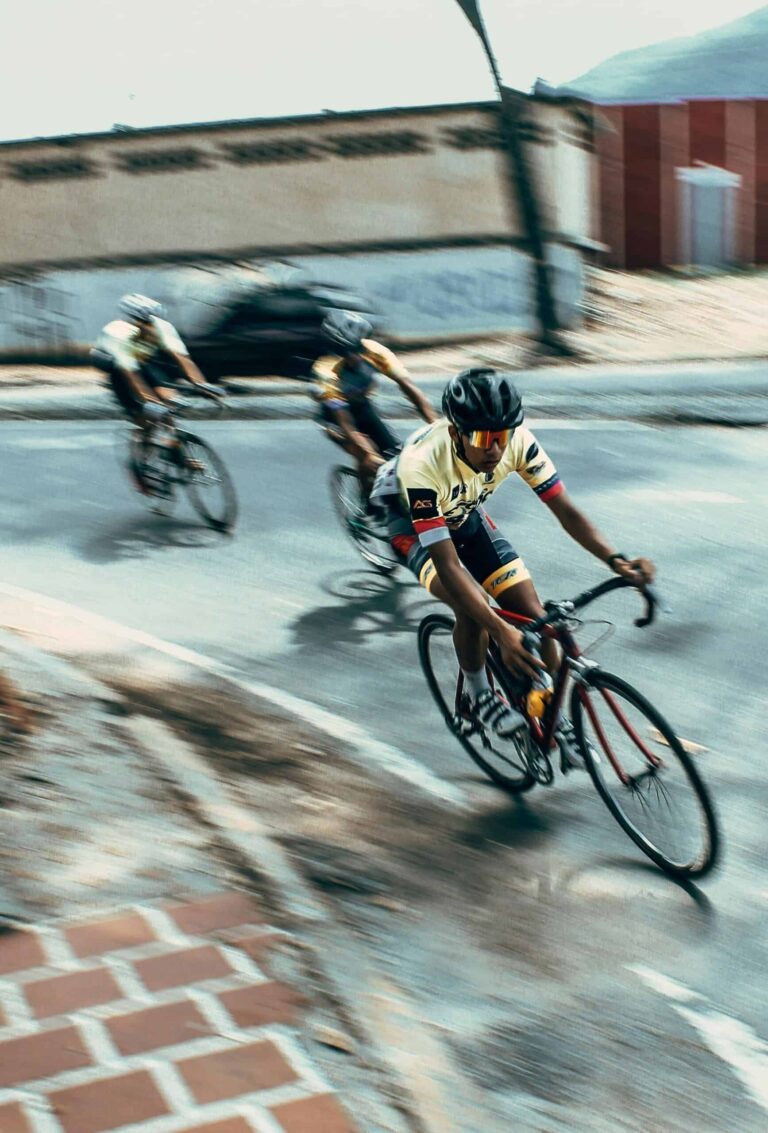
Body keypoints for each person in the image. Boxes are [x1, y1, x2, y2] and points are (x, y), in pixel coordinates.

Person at [372, 368, 655, 767]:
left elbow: (567, 512)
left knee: (538, 617)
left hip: (464, 512)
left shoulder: (518, 442)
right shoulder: (423, 466)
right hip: (410, 525)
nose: (495, 450)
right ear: (456, 434)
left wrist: (617, 561)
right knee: (474, 607)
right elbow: (449, 565)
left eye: (501, 438)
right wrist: (500, 631)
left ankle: (556, 722)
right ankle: (477, 692)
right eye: (483, 439)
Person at [311, 310, 437, 498]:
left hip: (363, 408)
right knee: (369, 456)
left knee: (397, 455)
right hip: (335, 419)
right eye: (351, 351)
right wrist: (368, 453)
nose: (359, 355)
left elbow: (409, 387)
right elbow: (346, 423)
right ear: (338, 350)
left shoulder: (373, 350)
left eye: (359, 347)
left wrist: (436, 424)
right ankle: (367, 506)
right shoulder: (325, 371)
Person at [91, 294, 220, 470]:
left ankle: (177, 452)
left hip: (145, 361)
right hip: (119, 369)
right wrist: (149, 402)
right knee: (146, 415)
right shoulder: (117, 333)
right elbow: (131, 374)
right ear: (130, 321)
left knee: (168, 400)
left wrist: (202, 384)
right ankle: (140, 461)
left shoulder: (161, 326)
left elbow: (181, 358)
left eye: (151, 322)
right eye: (144, 323)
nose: (150, 327)